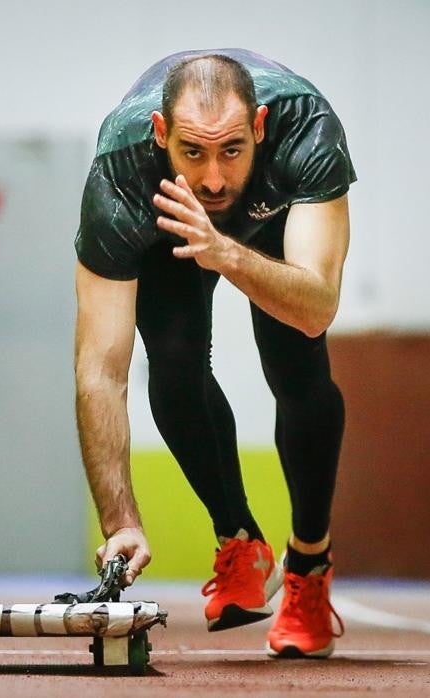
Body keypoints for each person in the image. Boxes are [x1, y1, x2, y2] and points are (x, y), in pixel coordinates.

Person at [73, 48, 354, 658]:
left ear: (259, 127)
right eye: (192, 152)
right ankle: (240, 540)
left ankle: (308, 565)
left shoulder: (307, 131)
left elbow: (317, 309)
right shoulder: (121, 172)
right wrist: (119, 520)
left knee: (296, 363)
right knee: (172, 364)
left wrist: (223, 250)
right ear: (159, 135)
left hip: (273, 222)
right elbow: (100, 369)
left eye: (231, 149)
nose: (215, 179)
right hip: (169, 221)